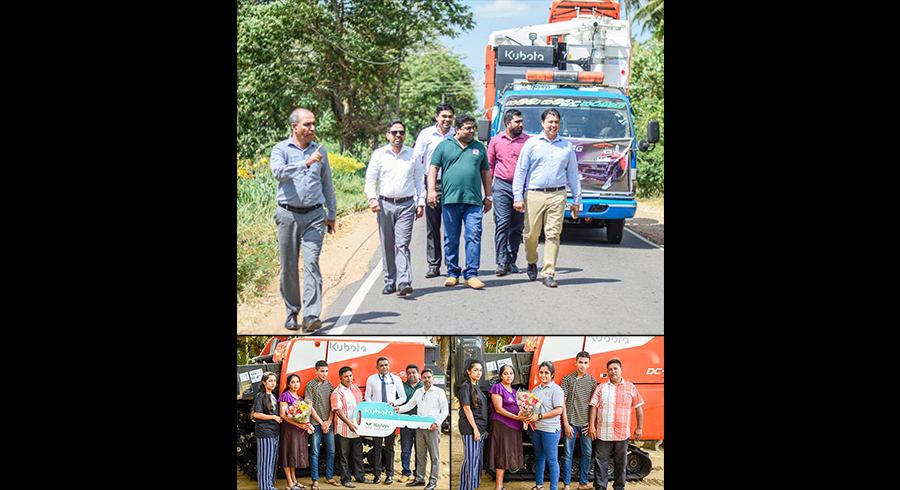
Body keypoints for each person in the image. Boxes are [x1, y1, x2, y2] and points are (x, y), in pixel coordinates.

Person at [270, 108, 337, 332]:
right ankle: (292, 311)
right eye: (307, 124)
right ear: (294, 127)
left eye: (314, 124)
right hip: (287, 214)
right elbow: (278, 173)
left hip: (315, 216)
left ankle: (310, 316)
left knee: (311, 264)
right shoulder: (281, 149)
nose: (312, 128)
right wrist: (305, 163)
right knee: (289, 266)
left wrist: (332, 215)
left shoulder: (321, 151)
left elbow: (327, 184)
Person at [512, 108, 582, 288]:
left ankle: (548, 272)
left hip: (557, 195)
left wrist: (577, 199)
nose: (553, 125)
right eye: (550, 122)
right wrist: (517, 196)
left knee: (553, 234)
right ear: (542, 123)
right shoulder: (531, 144)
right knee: (530, 234)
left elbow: (573, 174)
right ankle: (532, 260)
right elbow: (520, 171)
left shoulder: (566, 146)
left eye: (556, 122)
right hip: (534, 193)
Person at [427, 114, 493, 289]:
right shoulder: (444, 146)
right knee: (451, 237)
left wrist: (488, 196)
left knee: (474, 235)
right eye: (468, 128)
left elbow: (486, 172)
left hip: (473, 201)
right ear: (457, 129)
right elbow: (433, 168)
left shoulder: (479, 148)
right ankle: (453, 273)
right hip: (450, 199)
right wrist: (431, 191)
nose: (472, 131)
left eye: (473, 128)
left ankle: (471, 274)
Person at [365, 119, 426, 297]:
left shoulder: (413, 154)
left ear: (405, 135)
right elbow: (370, 178)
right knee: (387, 243)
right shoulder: (379, 154)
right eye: (394, 132)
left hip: (406, 204)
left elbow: (419, 180)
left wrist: (420, 202)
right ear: (387, 135)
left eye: (401, 132)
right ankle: (389, 281)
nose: (398, 135)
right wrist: (372, 198)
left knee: (402, 243)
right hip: (384, 204)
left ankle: (404, 280)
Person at [411, 104, 456, 279]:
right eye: (443, 116)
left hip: (452, 185)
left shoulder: (456, 134)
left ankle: (451, 264)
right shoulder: (426, 135)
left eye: (450, 116)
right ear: (436, 117)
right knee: (432, 227)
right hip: (431, 185)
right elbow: (416, 159)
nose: (447, 120)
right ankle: (433, 264)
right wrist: (419, 190)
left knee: (451, 227)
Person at [588, 359, 645, 490]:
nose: (613, 371)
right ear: (607, 372)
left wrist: (639, 427)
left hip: (622, 434)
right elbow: (594, 407)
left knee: (621, 464)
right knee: (600, 463)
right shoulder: (601, 388)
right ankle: (600, 487)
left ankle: (619, 487)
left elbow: (638, 408)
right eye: (610, 369)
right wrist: (592, 425)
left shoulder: (630, 387)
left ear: (621, 370)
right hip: (603, 433)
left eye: (615, 369)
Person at [487, 109, 530, 276]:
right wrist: (488, 192)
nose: (520, 124)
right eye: (517, 122)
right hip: (502, 186)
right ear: (507, 123)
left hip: (521, 189)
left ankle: (512, 260)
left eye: (521, 121)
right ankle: (501, 261)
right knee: (502, 223)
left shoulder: (528, 141)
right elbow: (489, 166)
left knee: (517, 225)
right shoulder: (496, 141)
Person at [395, 368, 449, 490]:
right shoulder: (418, 392)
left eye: (429, 377)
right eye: (424, 377)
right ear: (421, 379)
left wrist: (438, 422)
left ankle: (433, 481)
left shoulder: (439, 392)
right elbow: (410, 405)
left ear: (433, 379)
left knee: (434, 456)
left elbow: (445, 410)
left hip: (432, 428)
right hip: (419, 427)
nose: (427, 380)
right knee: (420, 455)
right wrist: (398, 409)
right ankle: (420, 478)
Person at [364, 357, 408, 484]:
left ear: (389, 366)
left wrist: (394, 403)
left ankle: (389, 475)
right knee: (377, 447)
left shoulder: (396, 380)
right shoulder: (371, 379)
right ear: (377, 367)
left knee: (389, 448)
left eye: (386, 365)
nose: (384, 367)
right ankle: (377, 475)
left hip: (390, 417)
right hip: (377, 417)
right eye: (381, 365)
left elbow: (403, 397)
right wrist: (374, 407)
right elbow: (367, 395)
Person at [523, 361, 565, 490]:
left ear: (552, 374)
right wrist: (528, 415)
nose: (543, 375)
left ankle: (553, 488)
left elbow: (559, 410)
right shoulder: (536, 389)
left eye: (546, 373)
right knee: (539, 458)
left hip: (550, 430)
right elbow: (533, 408)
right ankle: (539, 486)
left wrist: (539, 416)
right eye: (541, 372)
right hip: (536, 430)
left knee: (552, 460)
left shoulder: (556, 389)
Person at [559, 352, 598, 490]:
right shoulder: (567, 380)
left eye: (586, 363)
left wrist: (592, 424)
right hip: (570, 423)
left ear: (589, 364)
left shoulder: (592, 381)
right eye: (580, 362)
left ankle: (583, 483)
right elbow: (562, 403)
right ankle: (567, 484)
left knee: (587, 452)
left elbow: (594, 404)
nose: (583, 365)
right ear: (576, 363)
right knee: (568, 453)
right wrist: (566, 424)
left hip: (585, 424)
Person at [331, 366, 372, 488]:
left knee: (357, 454)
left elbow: (361, 406)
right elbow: (338, 410)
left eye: (350, 375)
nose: (349, 378)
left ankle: (360, 476)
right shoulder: (337, 392)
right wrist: (349, 424)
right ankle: (345, 479)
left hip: (357, 429)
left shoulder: (355, 389)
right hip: (343, 429)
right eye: (346, 376)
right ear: (340, 378)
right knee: (344, 456)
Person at [487, 364, 525, 490]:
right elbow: (499, 409)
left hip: (514, 427)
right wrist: (517, 418)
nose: (509, 376)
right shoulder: (497, 388)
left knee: (508, 454)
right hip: (502, 425)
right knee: (501, 453)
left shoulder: (515, 392)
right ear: (501, 376)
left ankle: (500, 485)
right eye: (506, 373)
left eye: (511, 373)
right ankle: (498, 486)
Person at [305, 361, 338, 488]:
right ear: (316, 371)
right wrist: (321, 423)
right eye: (322, 371)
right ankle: (315, 480)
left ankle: (329, 477)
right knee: (314, 451)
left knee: (331, 450)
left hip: (328, 423)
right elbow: (309, 406)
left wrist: (328, 422)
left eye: (326, 371)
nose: (325, 374)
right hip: (315, 423)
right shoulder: (310, 386)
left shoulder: (330, 386)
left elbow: (333, 406)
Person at [457, 359, 488, 490]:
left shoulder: (476, 387)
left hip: (479, 428)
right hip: (470, 429)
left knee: (474, 460)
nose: (478, 373)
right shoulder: (465, 386)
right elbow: (467, 408)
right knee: (470, 461)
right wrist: (475, 429)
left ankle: (466, 486)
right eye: (475, 370)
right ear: (468, 371)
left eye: (480, 370)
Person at [279, 374, 311, 490]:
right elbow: (283, 415)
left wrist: (307, 425)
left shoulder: (300, 399)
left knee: (294, 454)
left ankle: (294, 480)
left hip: (299, 430)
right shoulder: (285, 396)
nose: (296, 384)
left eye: (297, 382)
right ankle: (289, 483)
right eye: (293, 382)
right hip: (289, 429)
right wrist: (299, 424)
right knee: (288, 454)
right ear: (288, 384)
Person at [253, 372, 282, 490]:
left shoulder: (273, 396)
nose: (273, 383)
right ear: (264, 383)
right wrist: (274, 417)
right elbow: (257, 414)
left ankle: (269, 484)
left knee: (271, 460)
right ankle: (265, 487)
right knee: (265, 460)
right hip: (265, 432)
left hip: (275, 431)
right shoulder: (260, 396)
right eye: (270, 381)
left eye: (274, 381)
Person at [398, 364, 424, 482]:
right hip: (406, 422)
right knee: (406, 448)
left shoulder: (424, 386)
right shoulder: (401, 386)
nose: (411, 375)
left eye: (414, 372)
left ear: (418, 374)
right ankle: (406, 473)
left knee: (420, 450)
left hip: (420, 423)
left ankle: (418, 473)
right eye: (409, 373)